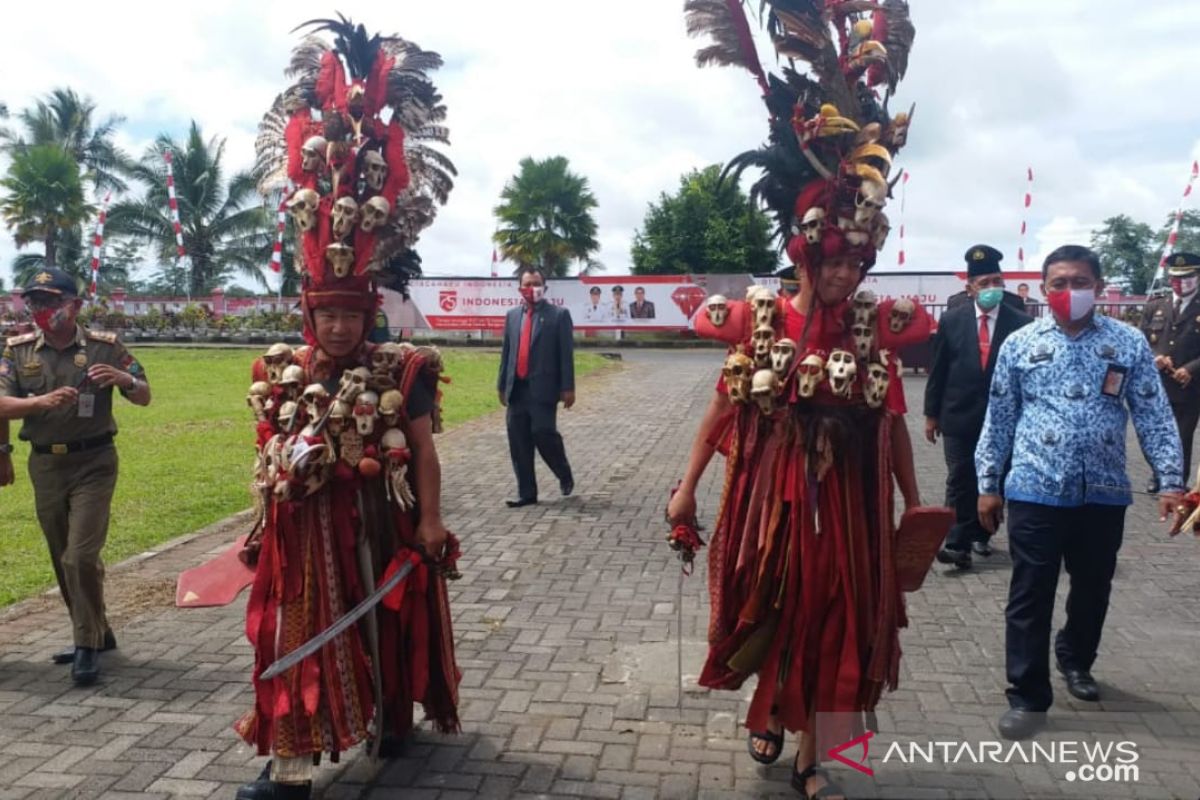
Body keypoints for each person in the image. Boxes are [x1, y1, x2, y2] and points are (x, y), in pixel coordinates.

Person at [670, 3, 922, 793]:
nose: (845, 274)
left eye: (857, 262)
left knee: (845, 613)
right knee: (773, 602)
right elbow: (722, 412)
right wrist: (684, 492)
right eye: (832, 259)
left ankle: (826, 757)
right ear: (804, 252)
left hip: (849, 501)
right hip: (769, 496)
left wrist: (914, 507)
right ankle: (773, 715)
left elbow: (894, 421)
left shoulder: (874, 327)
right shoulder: (763, 318)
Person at [235, 18, 460, 799]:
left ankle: (390, 714)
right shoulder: (280, 370)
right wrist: (261, 521)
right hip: (304, 535)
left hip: (378, 518)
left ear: (369, 313)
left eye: (350, 315)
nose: (337, 327)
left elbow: (423, 450)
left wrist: (429, 520)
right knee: (291, 629)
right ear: (309, 313)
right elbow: (267, 454)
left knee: (390, 623)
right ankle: (293, 761)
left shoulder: (403, 368)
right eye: (325, 315)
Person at [975, 244, 1184, 741]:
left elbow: (1154, 414)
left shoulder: (1128, 343)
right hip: (1034, 485)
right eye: (1060, 283)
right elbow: (1000, 416)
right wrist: (987, 485)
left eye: (1081, 281)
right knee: (1030, 591)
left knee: (1092, 587)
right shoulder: (1020, 345)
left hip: (1105, 490)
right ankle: (1027, 694)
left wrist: (1172, 479)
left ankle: (1076, 658)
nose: (1071, 292)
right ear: (1045, 291)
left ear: (1099, 285)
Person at [0, 267, 151, 687]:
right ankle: (97, 631)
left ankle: (86, 644)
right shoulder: (18, 351)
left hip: (95, 462)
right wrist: (39, 404)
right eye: (34, 302)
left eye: (50, 301)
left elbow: (144, 394)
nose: (41, 310)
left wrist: (124, 379)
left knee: (79, 556)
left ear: (75, 305)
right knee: (61, 554)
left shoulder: (105, 347)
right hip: (46, 465)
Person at [924, 245, 1033, 568]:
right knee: (960, 478)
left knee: (994, 478)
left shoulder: (1021, 323)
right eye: (984, 283)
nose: (991, 289)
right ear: (969, 287)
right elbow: (938, 369)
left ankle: (981, 535)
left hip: (1003, 420)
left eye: (996, 281)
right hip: (958, 414)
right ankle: (956, 544)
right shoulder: (952, 320)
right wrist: (931, 414)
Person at [497, 266, 576, 507]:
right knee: (518, 440)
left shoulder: (558, 315)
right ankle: (527, 493)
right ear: (520, 287)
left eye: (536, 283)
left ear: (545, 286)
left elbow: (566, 355)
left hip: (543, 389)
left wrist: (568, 387)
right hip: (517, 389)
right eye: (527, 284)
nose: (532, 289)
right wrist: (501, 385)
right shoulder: (512, 316)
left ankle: (563, 472)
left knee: (543, 433)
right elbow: (507, 353)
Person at [1139, 252, 1200, 492]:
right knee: (1155, 435)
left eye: (1186, 277)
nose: (1180, 282)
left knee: (1181, 437)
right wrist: (1154, 357)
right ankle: (1158, 474)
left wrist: (1192, 368)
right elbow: (1141, 341)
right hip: (1157, 385)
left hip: (1190, 386)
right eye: (1175, 277)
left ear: (1197, 277)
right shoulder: (1156, 305)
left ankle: (1175, 483)